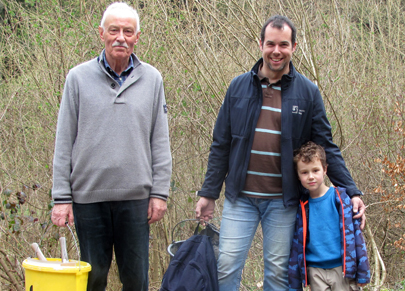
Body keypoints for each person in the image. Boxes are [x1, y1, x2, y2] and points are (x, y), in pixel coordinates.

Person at [195, 15, 366, 291]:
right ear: (260, 44)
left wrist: (352, 191)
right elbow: (220, 145)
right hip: (240, 197)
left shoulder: (308, 93)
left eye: (283, 45)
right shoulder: (238, 87)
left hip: (283, 202)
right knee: (225, 267)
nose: (277, 51)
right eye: (271, 44)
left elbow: (326, 147)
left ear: (294, 47)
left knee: (278, 275)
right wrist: (208, 193)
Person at [50, 3, 172, 291]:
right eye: (114, 30)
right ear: (101, 33)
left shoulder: (152, 79)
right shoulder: (77, 78)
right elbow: (64, 140)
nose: (121, 37)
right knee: (93, 280)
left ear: (137, 37)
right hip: (87, 198)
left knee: (136, 280)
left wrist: (159, 193)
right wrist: (61, 198)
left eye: (127, 31)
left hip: (136, 199)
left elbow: (160, 141)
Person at [288, 141, 370, 290]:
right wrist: (294, 283)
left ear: (325, 170)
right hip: (315, 270)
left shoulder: (341, 198)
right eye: (304, 172)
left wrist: (363, 271)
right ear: (298, 175)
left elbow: (356, 235)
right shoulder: (301, 205)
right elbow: (296, 243)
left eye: (315, 170)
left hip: (342, 268)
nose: (311, 176)